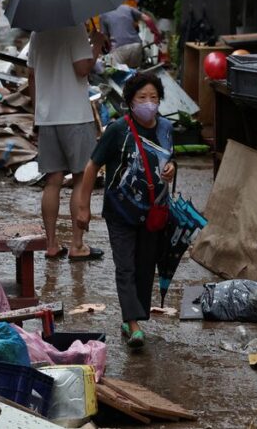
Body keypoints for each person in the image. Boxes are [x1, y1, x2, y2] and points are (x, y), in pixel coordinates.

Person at [76, 74, 175, 349]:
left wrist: (172, 169)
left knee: (145, 267)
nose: (149, 103)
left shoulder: (166, 128)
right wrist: (84, 208)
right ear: (130, 101)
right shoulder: (118, 130)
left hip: (154, 211)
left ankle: (132, 317)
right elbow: (91, 167)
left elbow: (169, 159)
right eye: (142, 98)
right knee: (126, 266)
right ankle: (133, 324)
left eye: (154, 98)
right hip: (120, 211)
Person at [26, 24, 105, 262]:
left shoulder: (37, 32)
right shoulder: (74, 27)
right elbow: (82, 68)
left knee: (53, 180)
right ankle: (77, 245)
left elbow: (31, 75)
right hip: (75, 117)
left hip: (47, 117)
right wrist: (97, 44)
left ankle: (51, 244)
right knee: (81, 177)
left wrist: (37, 113)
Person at [99, 2, 161, 68]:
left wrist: (108, 50)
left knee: (118, 72)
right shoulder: (127, 8)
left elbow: (105, 37)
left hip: (118, 49)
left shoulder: (103, 15)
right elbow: (147, 19)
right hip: (135, 45)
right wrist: (156, 34)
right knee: (136, 74)